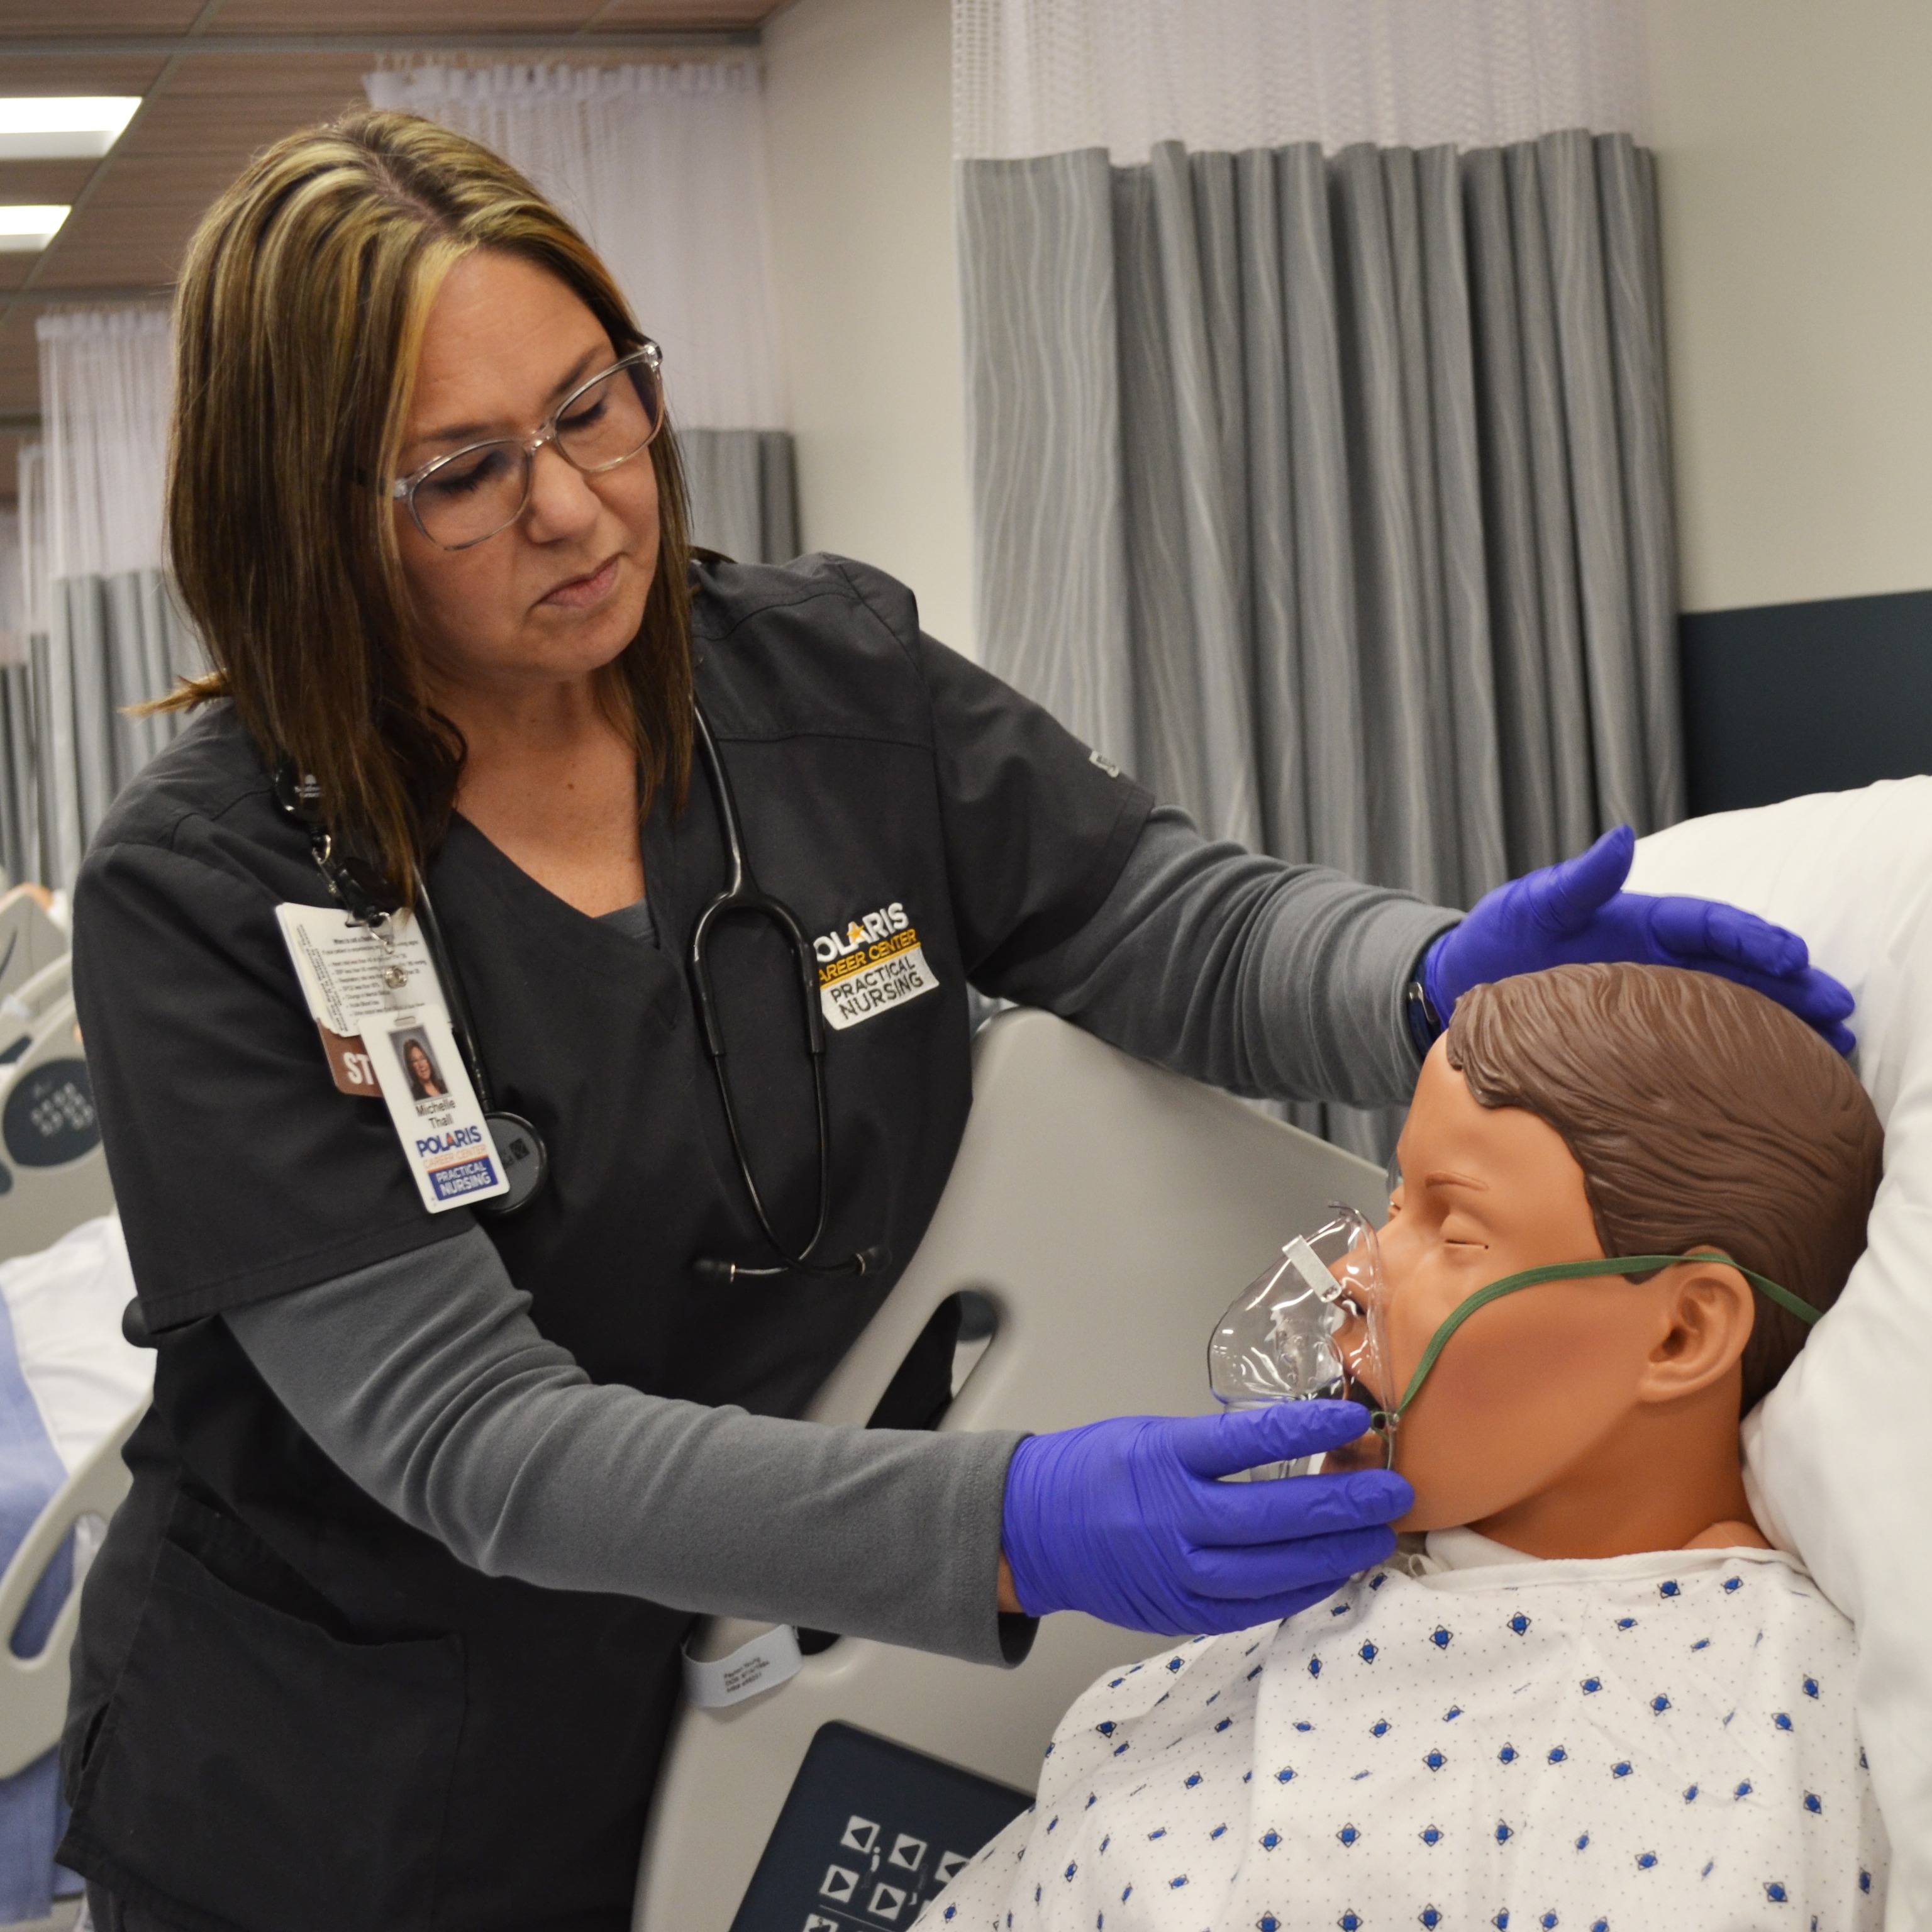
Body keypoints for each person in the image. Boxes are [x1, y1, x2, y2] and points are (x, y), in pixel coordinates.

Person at [57, 113, 1855, 1932]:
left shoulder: (827, 680)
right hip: (348, 1772)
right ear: (305, 518)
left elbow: (1158, 916)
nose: (578, 503)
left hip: (741, 1700)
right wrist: (1011, 1520)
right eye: (462, 470)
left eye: (596, 404)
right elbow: (471, 1438)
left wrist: (1426, 975)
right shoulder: (213, 894)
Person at [939, 963, 1887, 1930]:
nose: (1353, 1271)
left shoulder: (1746, 1719)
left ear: (1682, 1334)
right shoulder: (1338, 1594)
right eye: (1396, 1206)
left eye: (1456, 1228)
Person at [399, 1033, 447, 1101]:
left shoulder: (443, 1085)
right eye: (415, 1061)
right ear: (411, 1067)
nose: (421, 1065)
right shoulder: (414, 1096)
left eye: (423, 1058)